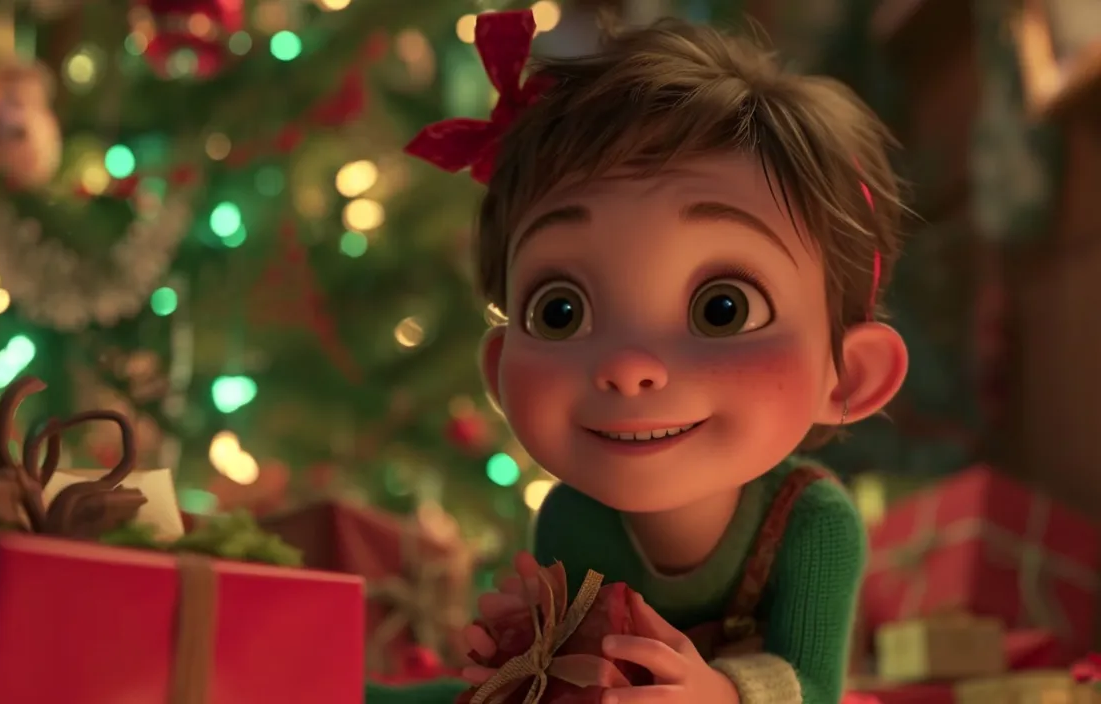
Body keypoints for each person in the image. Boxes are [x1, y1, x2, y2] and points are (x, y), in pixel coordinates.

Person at [368, 8, 908, 704]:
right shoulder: (573, 517)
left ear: (850, 377)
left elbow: (812, 686)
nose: (627, 366)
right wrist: (524, 653)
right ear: (500, 367)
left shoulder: (812, 524)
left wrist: (716, 695)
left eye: (724, 309)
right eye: (559, 312)